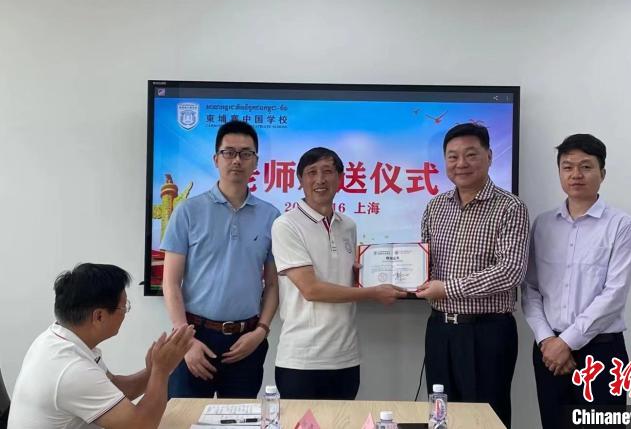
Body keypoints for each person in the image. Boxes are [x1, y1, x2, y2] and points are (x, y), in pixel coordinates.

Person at [415, 122, 529, 428]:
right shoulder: (435, 207)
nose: (461, 163)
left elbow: (510, 271)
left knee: (485, 418)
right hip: (440, 330)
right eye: (452, 156)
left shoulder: (510, 207)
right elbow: (422, 263)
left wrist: (447, 289)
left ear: (489, 156)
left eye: (470, 154)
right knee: (440, 415)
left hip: (487, 333)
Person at [271, 147, 406, 400]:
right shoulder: (286, 225)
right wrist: (372, 292)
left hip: (346, 356)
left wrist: (362, 277)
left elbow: (339, 280)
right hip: (302, 359)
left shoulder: (348, 225)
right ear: (300, 180)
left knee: (345, 420)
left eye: (327, 172)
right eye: (312, 173)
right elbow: (311, 290)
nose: (320, 180)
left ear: (341, 178)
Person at [522, 134, 631, 429]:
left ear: (602, 173)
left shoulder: (620, 225)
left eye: (586, 167)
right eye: (567, 167)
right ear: (559, 172)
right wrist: (547, 340)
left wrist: (567, 342)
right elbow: (531, 289)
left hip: (602, 352)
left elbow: (614, 294)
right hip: (549, 353)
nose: (576, 174)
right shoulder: (543, 224)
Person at [162, 120, 280, 398]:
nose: (237, 160)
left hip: (246, 341)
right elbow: (170, 283)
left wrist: (261, 331)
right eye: (229, 152)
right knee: (184, 416)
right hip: (194, 338)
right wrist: (185, 339)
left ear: (256, 162)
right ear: (216, 159)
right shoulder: (187, 211)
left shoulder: (271, 216)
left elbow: (274, 285)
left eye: (246, 153)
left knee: (241, 418)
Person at [9, 263, 193, 429]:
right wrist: (161, 371)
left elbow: (116, 388)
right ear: (99, 316)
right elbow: (141, 425)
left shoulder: (55, 338)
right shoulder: (72, 369)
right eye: (124, 307)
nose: (125, 313)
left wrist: (152, 372)